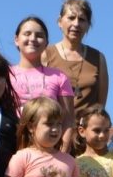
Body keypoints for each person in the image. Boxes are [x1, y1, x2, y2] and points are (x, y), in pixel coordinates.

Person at [9, 16, 76, 151]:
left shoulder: (59, 77)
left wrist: (62, 153)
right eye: (27, 34)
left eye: (39, 35)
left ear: (46, 42)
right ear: (16, 39)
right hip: (10, 148)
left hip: (50, 153)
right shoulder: (5, 74)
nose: (33, 39)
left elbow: (68, 121)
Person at [42, 0, 109, 119]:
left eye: (82, 19)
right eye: (71, 18)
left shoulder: (98, 59)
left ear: (88, 25)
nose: (76, 24)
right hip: (54, 130)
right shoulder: (46, 54)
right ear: (60, 21)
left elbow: (101, 105)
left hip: (86, 133)